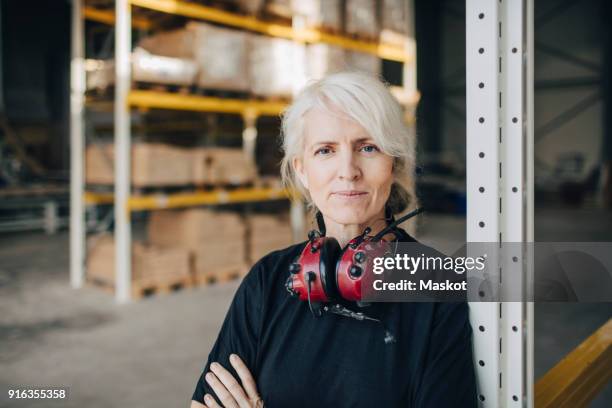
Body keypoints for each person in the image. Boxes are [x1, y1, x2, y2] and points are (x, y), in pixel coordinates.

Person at [190, 71, 477, 407]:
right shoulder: (267, 279)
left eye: (368, 147)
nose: (348, 170)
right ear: (301, 170)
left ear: (394, 164)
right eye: (325, 150)